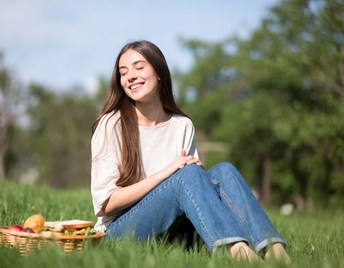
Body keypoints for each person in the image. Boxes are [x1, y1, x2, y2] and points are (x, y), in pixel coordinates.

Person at [90, 40, 291, 263]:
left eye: (139, 67)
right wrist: (167, 174)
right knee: (185, 175)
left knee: (224, 170)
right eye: (123, 72)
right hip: (121, 233)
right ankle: (239, 254)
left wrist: (181, 176)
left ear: (159, 72)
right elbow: (106, 203)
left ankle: (276, 253)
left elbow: (194, 189)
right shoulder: (112, 124)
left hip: (176, 233)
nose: (130, 76)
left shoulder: (182, 125)